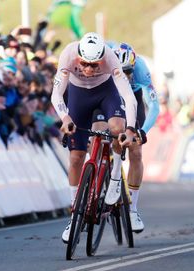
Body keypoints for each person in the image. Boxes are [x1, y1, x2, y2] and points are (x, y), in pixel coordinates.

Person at [51, 32, 138, 243]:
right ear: (78, 56)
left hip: (105, 91)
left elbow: (128, 96)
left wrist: (131, 129)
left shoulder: (110, 57)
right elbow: (56, 94)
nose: (89, 69)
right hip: (78, 94)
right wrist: (65, 117)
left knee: (117, 127)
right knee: (75, 158)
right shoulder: (68, 55)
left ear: (103, 59)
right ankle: (74, 216)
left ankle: (116, 177)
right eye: (84, 64)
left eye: (95, 65)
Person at [92, 42, 160, 232]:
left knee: (136, 151)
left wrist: (143, 131)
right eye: (123, 72)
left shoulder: (141, 69)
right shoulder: (102, 60)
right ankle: (94, 183)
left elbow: (154, 106)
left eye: (129, 72)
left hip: (133, 97)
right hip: (109, 93)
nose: (126, 76)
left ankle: (132, 209)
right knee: (97, 133)